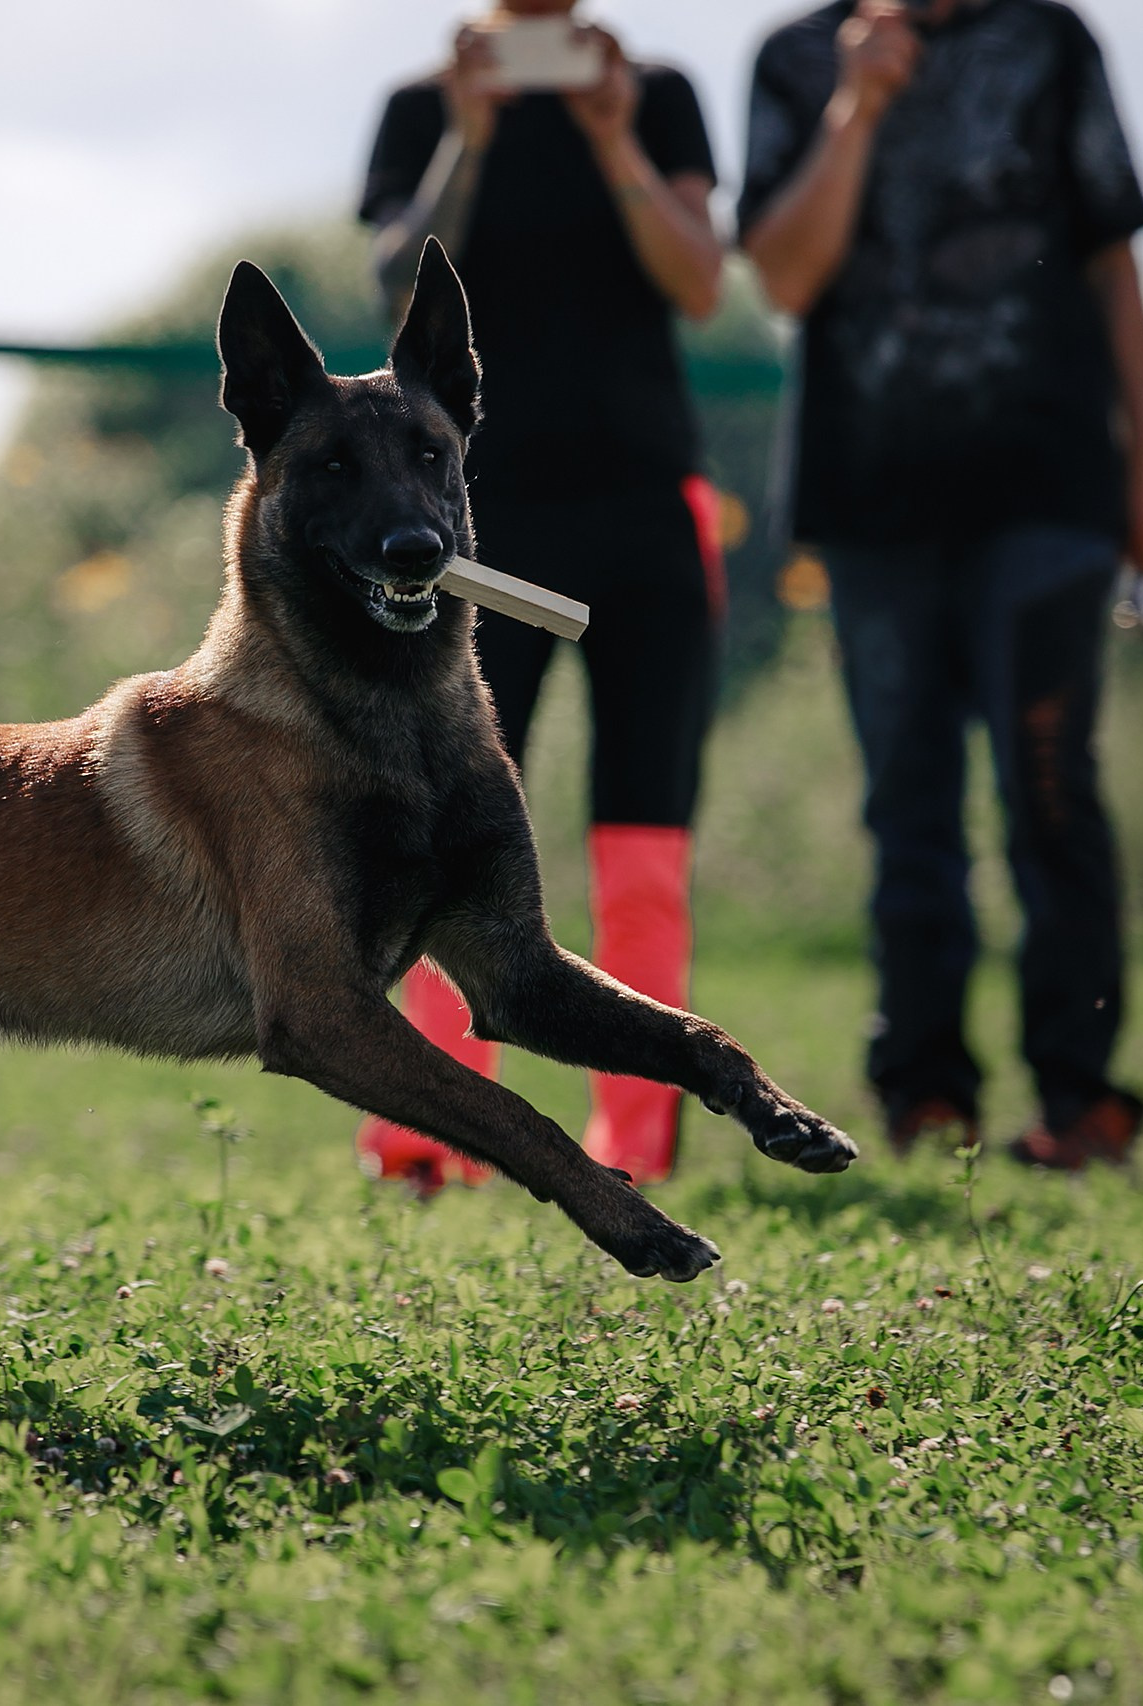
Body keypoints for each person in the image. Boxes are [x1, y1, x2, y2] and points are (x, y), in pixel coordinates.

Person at [736, 0, 1143, 1169]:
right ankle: (926, 1093)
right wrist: (856, 104)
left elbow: (1110, 255)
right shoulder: (793, 61)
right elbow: (784, 278)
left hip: (1049, 495)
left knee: (1050, 796)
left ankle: (1080, 1096)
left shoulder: (1050, 42)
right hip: (872, 509)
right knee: (909, 810)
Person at [356, 3, 727, 1194]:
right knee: (439, 836)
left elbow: (700, 282)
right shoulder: (422, 106)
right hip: (477, 524)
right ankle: (430, 1132)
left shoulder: (654, 92)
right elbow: (389, 292)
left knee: (643, 839)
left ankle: (639, 1135)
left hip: (647, 520)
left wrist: (613, 137)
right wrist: (466, 135)